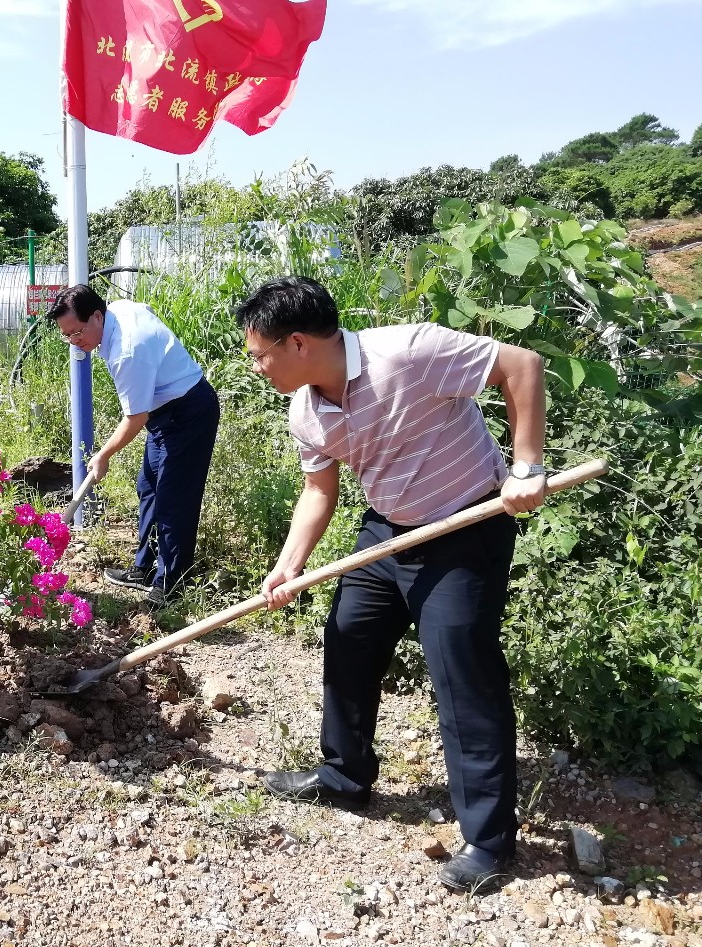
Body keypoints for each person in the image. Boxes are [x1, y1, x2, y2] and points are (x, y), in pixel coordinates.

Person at [235, 276, 548, 892]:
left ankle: (488, 841)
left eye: (261, 354)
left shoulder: (408, 352)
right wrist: (290, 563)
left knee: (461, 673)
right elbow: (318, 491)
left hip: (464, 526)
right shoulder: (307, 408)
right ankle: (344, 777)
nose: (257, 367)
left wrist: (527, 466)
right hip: (386, 532)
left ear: (297, 343)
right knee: (348, 636)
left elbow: (523, 365)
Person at [46, 284, 219, 609]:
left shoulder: (128, 349)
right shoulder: (119, 312)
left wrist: (104, 455)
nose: (74, 341)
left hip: (188, 412)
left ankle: (171, 584)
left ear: (97, 316)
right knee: (148, 488)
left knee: (173, 500)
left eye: (77, 331)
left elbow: (135, 417)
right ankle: (145, 567)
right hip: (165, 411)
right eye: (67, 335)